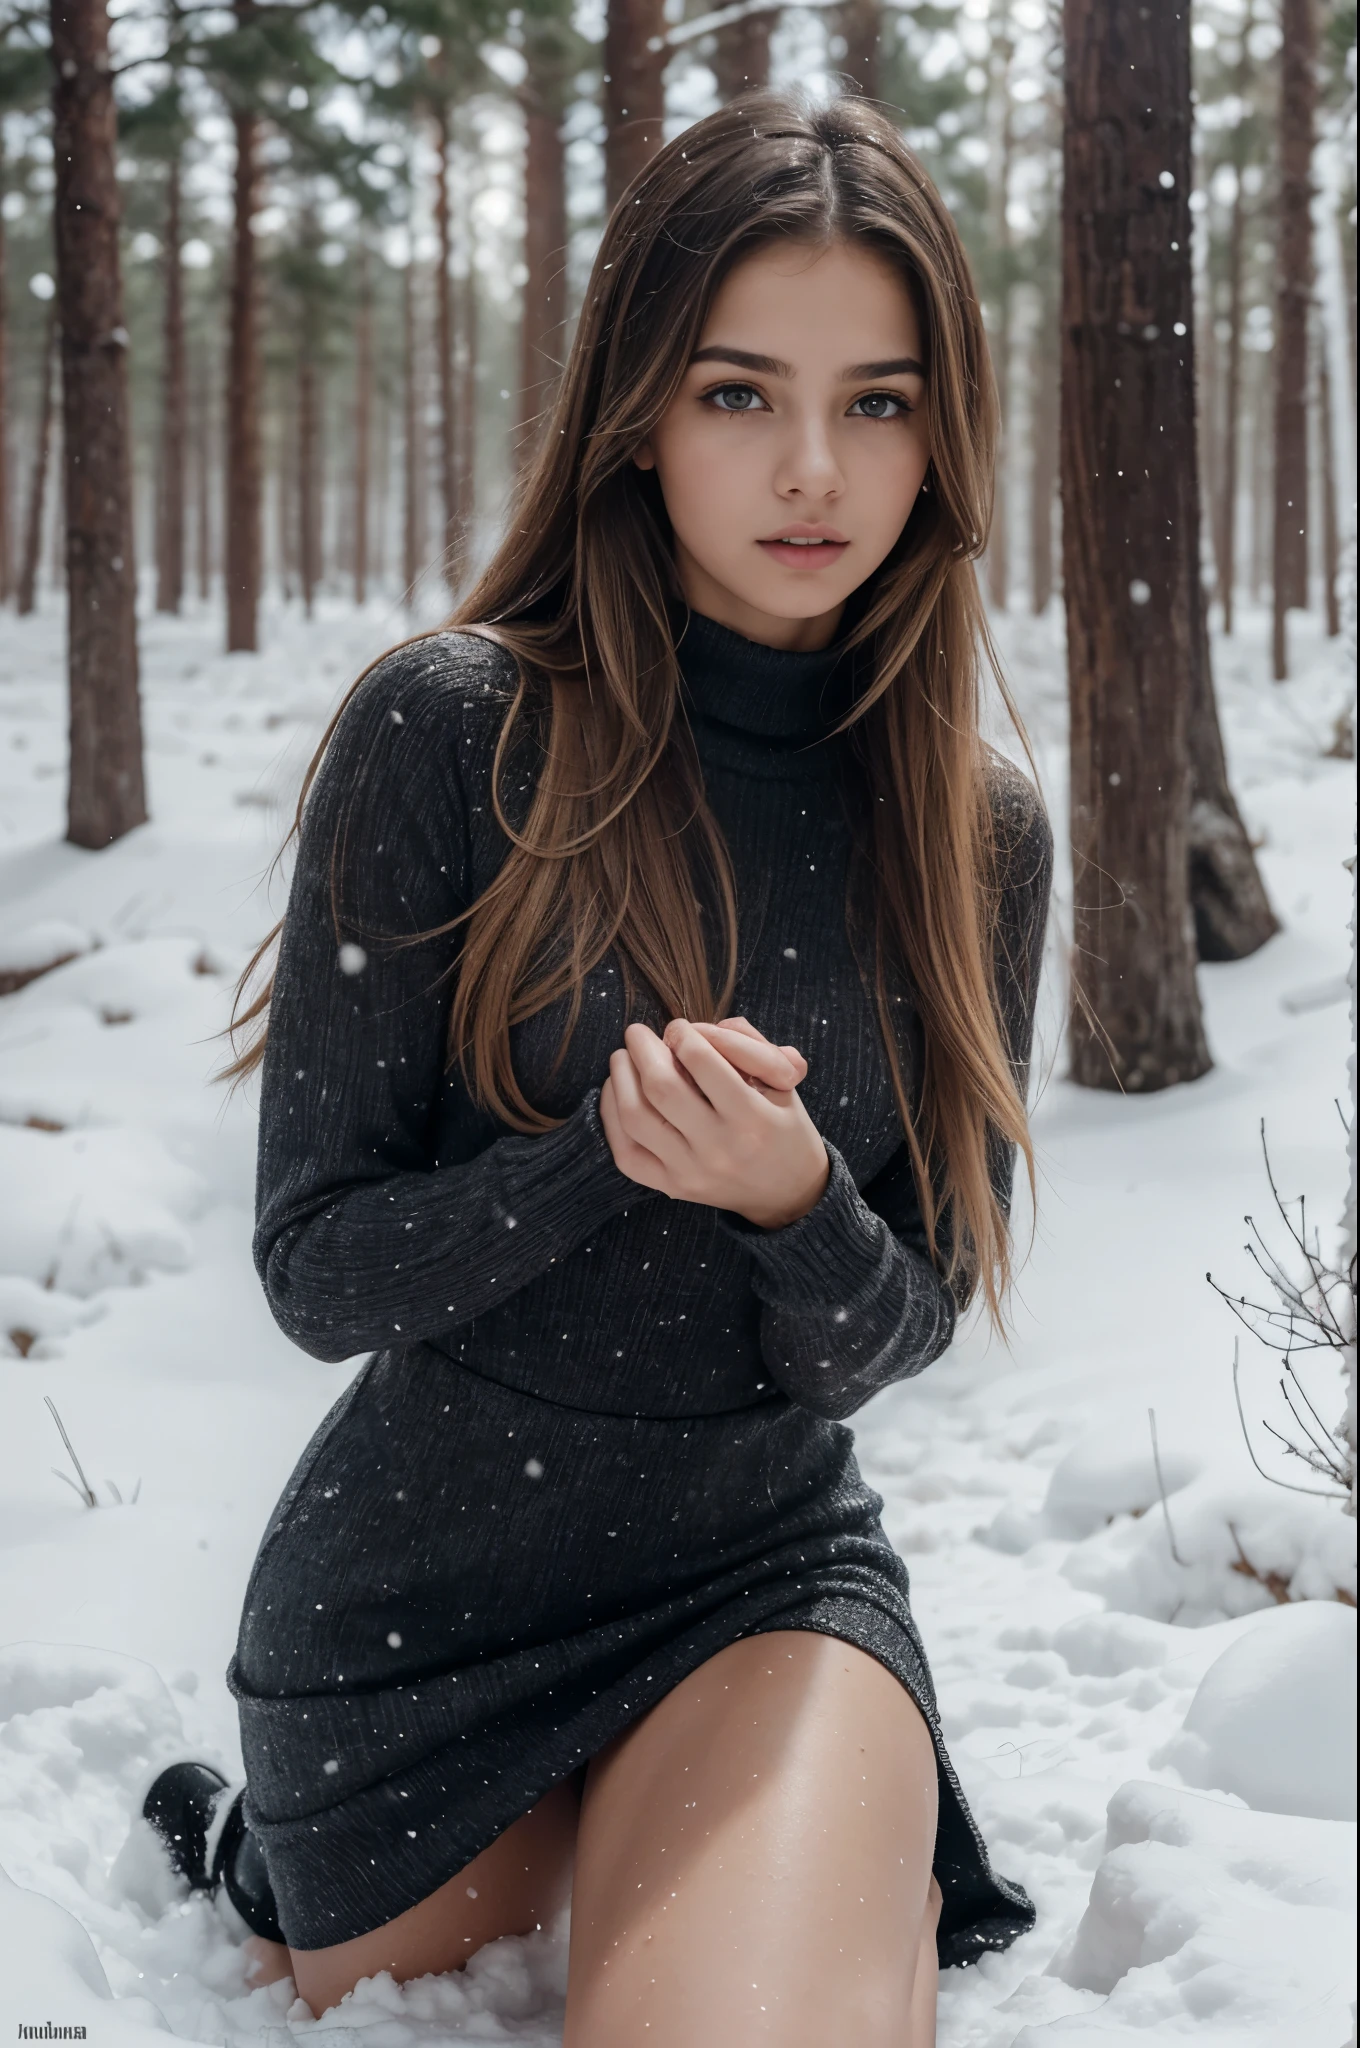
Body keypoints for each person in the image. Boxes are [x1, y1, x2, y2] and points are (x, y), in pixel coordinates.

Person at [146, 89, 1052, 2045]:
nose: (811, 465)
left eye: (876, 401)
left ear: (940, 431)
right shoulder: (452, 731)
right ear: (638, 406)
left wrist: (792, 1201)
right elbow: (317, 1267)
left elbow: (895, 1330)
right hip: (411, 1626)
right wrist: (594, 1161)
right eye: (739, 392)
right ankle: (249, 1847)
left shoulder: (973, 830)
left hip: (755, 1574)